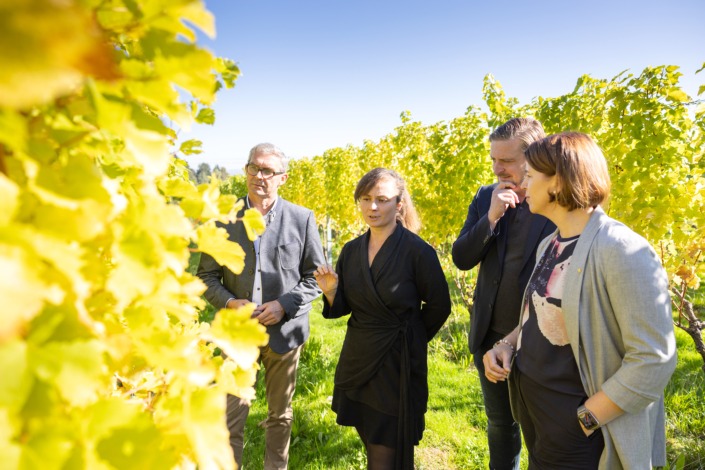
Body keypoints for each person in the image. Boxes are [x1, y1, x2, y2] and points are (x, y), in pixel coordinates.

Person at [483, 132, 677, 469]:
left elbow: (654, 358)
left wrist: (586, 419)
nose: (523, 184)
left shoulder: (621, 250)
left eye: (530, 175)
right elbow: (542, 314)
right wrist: (508, 343)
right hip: (541, 422)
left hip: (580, 436)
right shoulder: (552, 244)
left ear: (557, 182)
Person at [197, 143, 325, 470]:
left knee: (279, 415)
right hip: (238, 334)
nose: (259, 176)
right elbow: (207, 276)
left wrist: (284, 305)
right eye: (254, 168)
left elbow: (316, 278)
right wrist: (228, 302)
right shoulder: (223, 220)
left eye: (268, 171)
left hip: (285, 332)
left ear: (282, 178)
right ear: (246, 170)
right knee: (231, 415)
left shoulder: (301, 219)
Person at [314, 168, 451, 470]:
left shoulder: (418, 252)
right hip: (358, 360)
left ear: (399, 204)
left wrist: (409, 339)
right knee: (370, 439)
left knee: (384, 453)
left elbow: (440, 305)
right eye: (365, 199)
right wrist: (332, 292)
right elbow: (344, 308)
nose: (372, 207)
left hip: (395, 366)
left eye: (382, 199)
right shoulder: (351, 251)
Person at [451, 117, 555, 469]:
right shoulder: (485, 197)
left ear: (533, 157)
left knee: (542, 431)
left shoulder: (556, 201)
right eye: (494, 159)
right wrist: (491, 218)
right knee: (500, 426)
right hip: (490, 335)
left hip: (540, 336)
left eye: (507, 161)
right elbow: (462, 258)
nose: (498, 168)